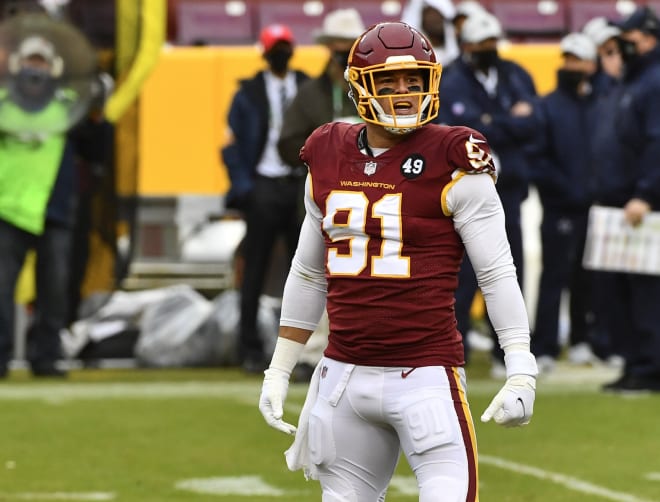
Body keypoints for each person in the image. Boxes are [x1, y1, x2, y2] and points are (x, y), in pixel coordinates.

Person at [258, 22, 538, 500]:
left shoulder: (455, 157)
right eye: (388, 83)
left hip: (425, 374)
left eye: (414, 80)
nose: (404, 94)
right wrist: (279, 369)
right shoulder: (328, 151)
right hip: (342, 376)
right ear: (358, 88)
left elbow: (496, 273)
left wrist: (520, 367)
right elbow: (308, 271)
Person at [437, 9, 538, 373]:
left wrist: (493, 124)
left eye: (492, 42)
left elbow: (535, 122)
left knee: (510, 269)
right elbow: (461, 131)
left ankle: (508, 351)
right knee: (463, 273)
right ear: (466, 46)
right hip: (466, 192)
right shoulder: (451, 80)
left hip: (510, 190)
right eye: (481, 43)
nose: (487, 48)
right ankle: (455, 348)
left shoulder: (516, 74)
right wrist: (509, 121)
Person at [277, 7, 366, 382]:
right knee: (316, 272)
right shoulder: (311, 94)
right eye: (337, 45)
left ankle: (358, 349)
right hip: (326, 195)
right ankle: (312, 353)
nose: (341, 50)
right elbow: (287, 143)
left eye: (348, 45)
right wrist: (323, 147)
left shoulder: (373, 90)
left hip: (374, 194)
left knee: (363, 273)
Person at [221, 24, 309, 373]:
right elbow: (231, 145)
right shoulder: (248, 93)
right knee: (254, 270)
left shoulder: (304, 86)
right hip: (264, 185)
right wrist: (246, 188)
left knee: (302, 273)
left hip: (298, 185)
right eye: (277, 46)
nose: (281, 52)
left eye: (285, 45)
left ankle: (299, 351)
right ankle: (250, 348)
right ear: (264, 51)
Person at [0, 35, 76, 377]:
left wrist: (99, 113)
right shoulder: (3, 102)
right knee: (1, 290)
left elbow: (97, 145)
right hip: (9, 207)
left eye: (41, 61)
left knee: (54, 291)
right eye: (31, 61)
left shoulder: (69, 105)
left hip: (54, 209)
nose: (36, 68)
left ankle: (46, 356)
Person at [593, 6, 660, 392]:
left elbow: (656, 142)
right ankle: (634, 361)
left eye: (629, 39)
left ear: (649, 38)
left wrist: (647, 193)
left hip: (639, 203)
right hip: (617, 200)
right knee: (618, 289)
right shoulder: (630, 81)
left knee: (645, 288)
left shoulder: (652, 81)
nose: (623, 46)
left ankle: (651, 365)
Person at [528, 33, 599, 373]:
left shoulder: (597, 104)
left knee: (587, 276)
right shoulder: (548, 106)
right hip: (559, 207)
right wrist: (565, 189)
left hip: (593, 206)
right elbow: (538, 159)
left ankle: (583, 340)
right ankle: (544, 345)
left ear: (589, 65)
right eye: (568, 59)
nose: (572, 66)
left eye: (578, 60)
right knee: (554, 276)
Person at [401, 0, 460, 66]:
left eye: (439, 14)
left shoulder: (460, 62)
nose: (436, 19)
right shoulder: (409, 60)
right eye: (431, 14)